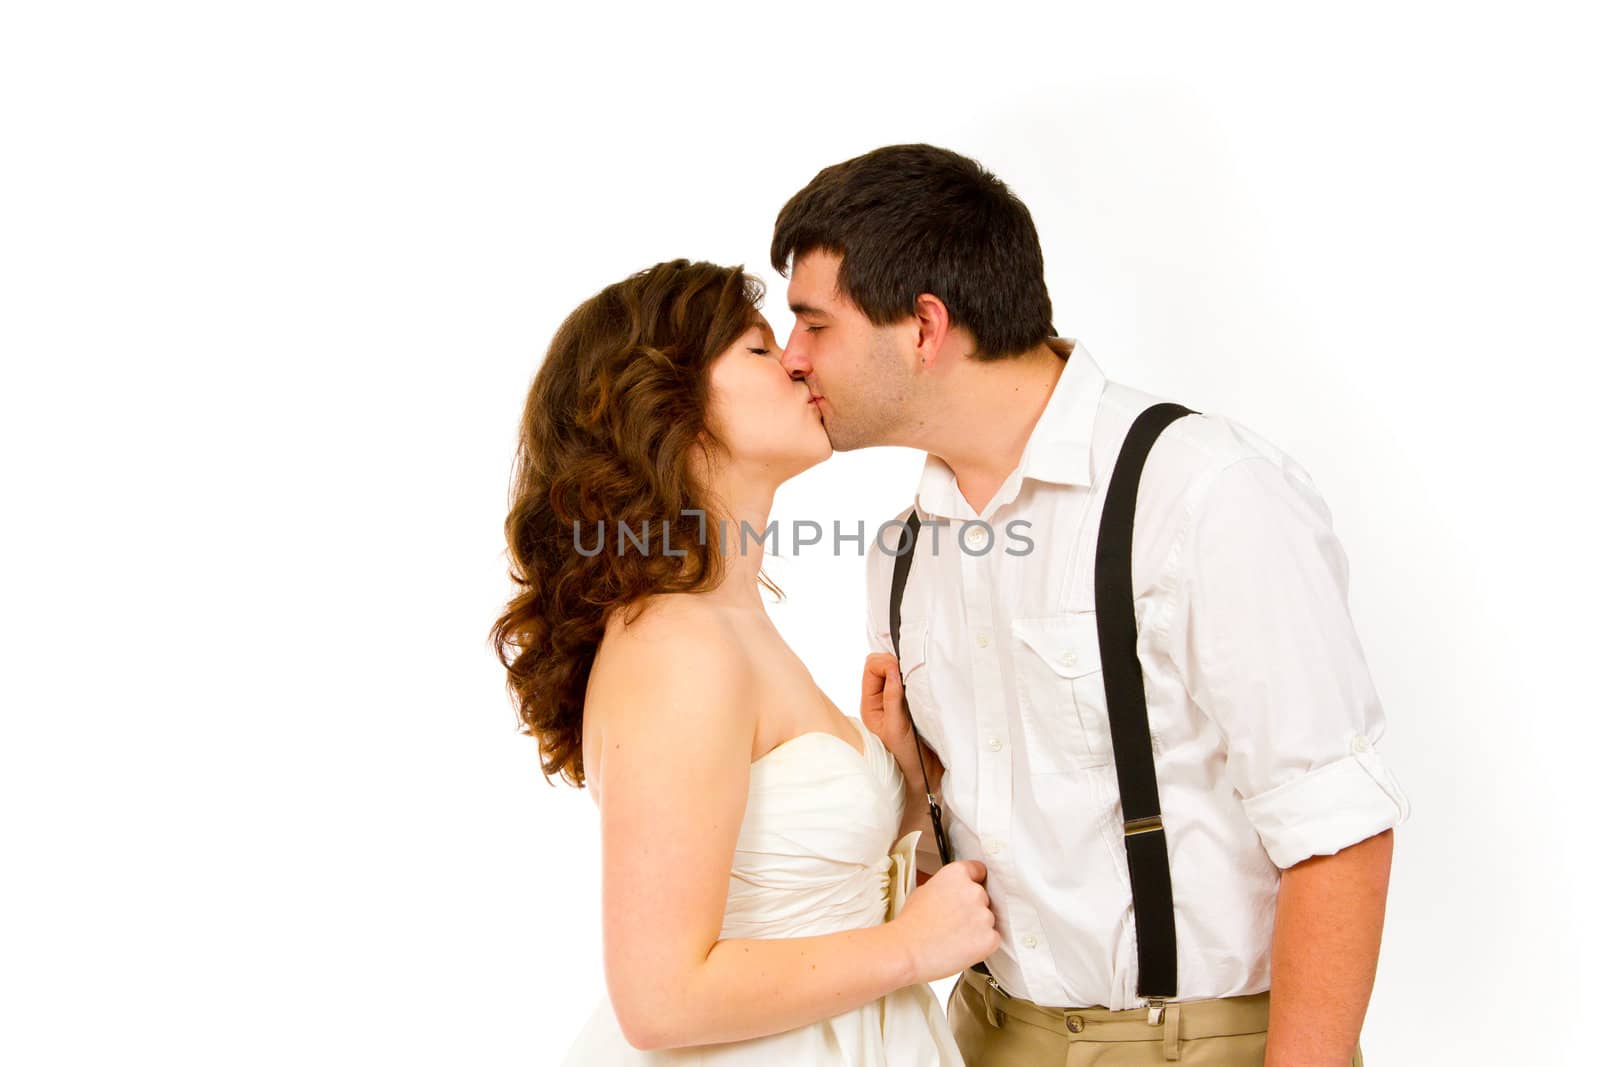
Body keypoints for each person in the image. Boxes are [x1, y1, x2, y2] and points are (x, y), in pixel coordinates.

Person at [770, 144, 1411, 1066]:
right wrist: (911, 784)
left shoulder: (1200, 491)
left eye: (812, 323)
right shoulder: (901, 552)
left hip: (1201, 1046)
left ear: (924, 327)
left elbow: (1336, 827)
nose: (792, 360)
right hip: (985, 1033)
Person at [491, 259, 993, 1064]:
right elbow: (659, 998)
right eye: (760, 351)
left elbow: (792, 887)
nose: (798, 360)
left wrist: (900, 776)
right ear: (673, 412)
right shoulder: (676, 641)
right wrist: (910, 948)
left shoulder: (727, 615)